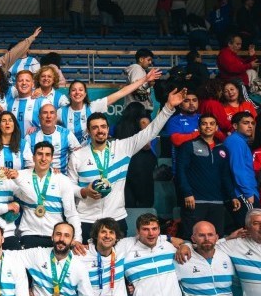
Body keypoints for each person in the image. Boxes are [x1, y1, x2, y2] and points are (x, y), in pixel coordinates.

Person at [68, 87, 185, 240]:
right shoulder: (77, 155)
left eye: (103, 126)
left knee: (117, 262)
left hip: (116, 218)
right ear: (88, 132)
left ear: (108, 129)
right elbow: (69, 188)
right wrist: (84, 192)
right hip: (87, 219)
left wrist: (169, 107)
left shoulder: (123, 147)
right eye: (95, 128)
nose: (100, 130)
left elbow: (150, 131)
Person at [175, 114, 240, 238]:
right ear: (199, 128)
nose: (208, 126)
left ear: (216, 128)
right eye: (204, 123)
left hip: (217, 201)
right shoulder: (189, 146)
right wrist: (187, 193)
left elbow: (225, 175)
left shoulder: (222, 149)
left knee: (217, 238)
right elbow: (180, 172)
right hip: (195, 201)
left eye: (211, 124)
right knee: (192, 238)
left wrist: (232, 196)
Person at [61, 69, 161, 143]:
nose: (77, 92)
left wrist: (145, 79)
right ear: (69, 94)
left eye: (80, 90)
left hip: (89, 157)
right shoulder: (61, 112)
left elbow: (122, 92)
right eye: (73, 90)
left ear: (85, 93)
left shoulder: (93, 107)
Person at [14, 141, 81, 247]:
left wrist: (77, 239)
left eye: (47, 155)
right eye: (40, 154)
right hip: (29, 234)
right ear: (33, 157)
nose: (43, 158)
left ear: (52, 158)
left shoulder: (62, 180)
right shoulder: (20, 177)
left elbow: (71, 214)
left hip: (55, 236)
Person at [22, 104, 80, 174]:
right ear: (39, 117)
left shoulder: (66, 134)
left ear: (56, 117)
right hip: (38, 176)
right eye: (45, 113)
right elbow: (27, 161)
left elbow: (79, 155)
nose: (48, 116)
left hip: (62, 178)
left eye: (52, 113)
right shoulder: (30, 137)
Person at [223, 112, 258, 224]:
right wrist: (248, 193)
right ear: (235, 126)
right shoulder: (235, 141)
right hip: (242, 193)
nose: (250, 126)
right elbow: (237, 169)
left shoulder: (240, 141)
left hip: (244, 191)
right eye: (246, 123)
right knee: (252, 229)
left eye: (252, 123)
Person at [123, 48, 155, 114]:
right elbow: (136, 88)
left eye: (151, 60)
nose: (150, 62)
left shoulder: (141, 70)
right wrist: (148, 84)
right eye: (148, 60)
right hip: (136, 110)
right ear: (141, 59)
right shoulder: (136, 68)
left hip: (138, 108)